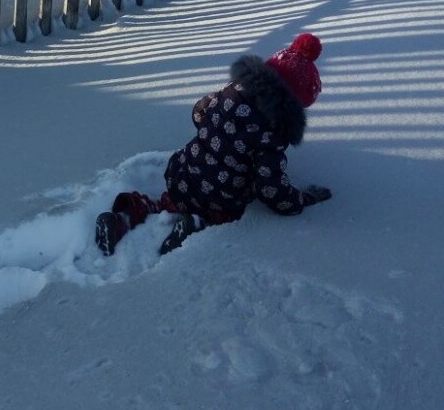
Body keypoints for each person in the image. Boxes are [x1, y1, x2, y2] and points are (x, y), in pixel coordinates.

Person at [95, 33, 332, 256]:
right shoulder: (272, 134)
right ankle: (195, 225)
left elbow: (199, 113)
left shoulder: (230, 92)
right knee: (220, 212)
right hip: (222, 195)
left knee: (169, 202)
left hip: (184, 173)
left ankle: (125, 216)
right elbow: (270, 187)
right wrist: (300, 200)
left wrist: (221, 133)